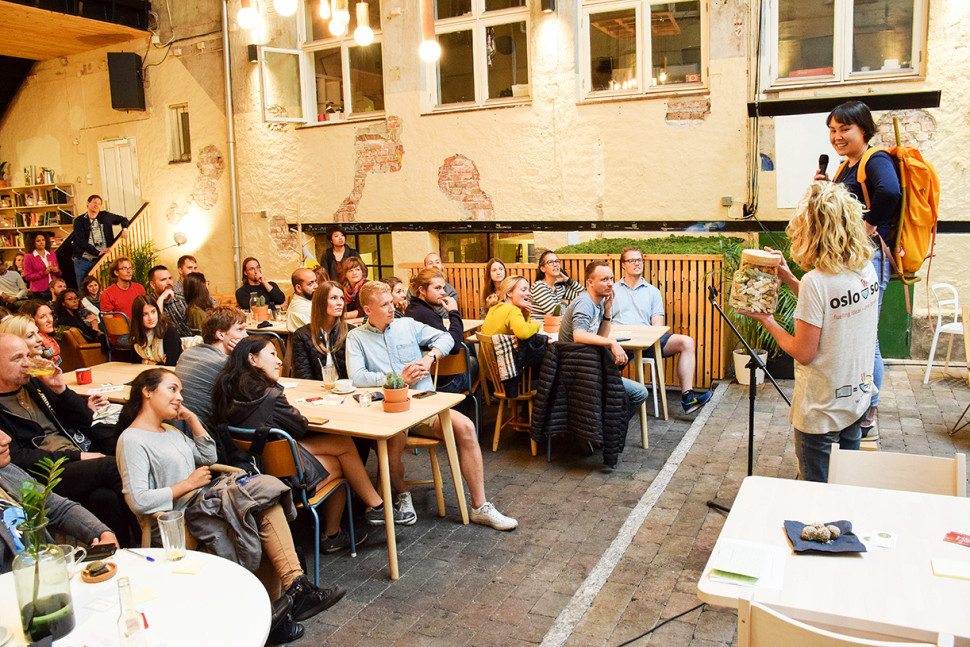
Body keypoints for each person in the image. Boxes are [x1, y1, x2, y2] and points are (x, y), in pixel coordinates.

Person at [116, 368, 345, 639]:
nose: (179, 397)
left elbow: (208, 454)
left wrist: (191, 418)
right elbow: (138, 500)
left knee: (262, 503)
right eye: (172, 389)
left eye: (181, 391)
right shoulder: (132, 440)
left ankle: (285, 598)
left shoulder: (169, 430)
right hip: (175, 521)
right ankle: (279, 608)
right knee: (257, 508)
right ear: (147, 391)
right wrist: (186, 485)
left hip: (204, 505)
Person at [346, 281, 517, 531]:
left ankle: (480, 507)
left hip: (424, 405)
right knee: (393, 441)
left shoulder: (407, 326)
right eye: (384, 305)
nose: (392, 309)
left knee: (466, 428)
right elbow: (357, 377)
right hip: (389, 409)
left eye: (392, 303)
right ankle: (403, 493)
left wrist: (430, 357)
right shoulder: (356, 337)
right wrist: (397, 379)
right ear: (367, 310)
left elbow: (447, 338)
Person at [743, 183, 879, 482]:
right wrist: (790, 277)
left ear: (812, 231)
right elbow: (831, 310)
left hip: (821, 409)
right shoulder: (864, 268)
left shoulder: (818, 281)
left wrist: (766, 319)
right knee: (845, 485)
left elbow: (804, 352)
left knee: (815, 496)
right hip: (855, 399)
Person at [213, 337, 402, 546]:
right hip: (282, 477)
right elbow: (300, 427)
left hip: (252, 466)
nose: (280, 361)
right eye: (272, 355)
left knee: (342, 444)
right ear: (253, 359)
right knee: (342, 462)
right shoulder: (270, 395)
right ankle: (337, 532)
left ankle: (375, 508)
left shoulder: (226, 390)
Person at [816, 101, 900, 440]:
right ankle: (856, 405)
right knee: (857, 335)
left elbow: (890, 192)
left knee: (869, 338)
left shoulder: (874, 160)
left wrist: (867, 226)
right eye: (832, 130)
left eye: (844, 129)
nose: (837, 136)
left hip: (870, 258)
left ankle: (868, 414)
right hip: (850, 259)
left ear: (863, 129)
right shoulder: (844, 166)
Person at [0, 334, 135, 545]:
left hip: (73, 458)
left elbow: (85, 420)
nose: (27, 363)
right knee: (111, 465)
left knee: (104, 497)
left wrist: (60, 389)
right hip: (45, 472)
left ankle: (122, 553)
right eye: (17, 358)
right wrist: (77, 456)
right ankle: (149, 532)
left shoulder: (34, 385)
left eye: (27, 355)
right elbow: (19, 458)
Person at [0, 428, 119, 574]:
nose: (6, 439)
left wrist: (102, 533)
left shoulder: (8, 472)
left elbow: (58, 508)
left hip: (49, 575)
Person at [613, 247, 713, 414]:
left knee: (687, 342)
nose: (637, 263)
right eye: (632, 260)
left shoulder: (653, 292)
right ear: (623, 265)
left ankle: (688, 399)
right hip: (619, 345)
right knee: (600, 356)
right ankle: (610, 402)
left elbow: (658, 326)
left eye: (639, 260)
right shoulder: (613, 290)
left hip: (648, 343)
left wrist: (648, 337)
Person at [558, 261, 649, 422]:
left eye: (612, 279)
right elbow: (579, 335)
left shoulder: (599, 303)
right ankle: (608, 429)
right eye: (604, 279)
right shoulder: (585, 302)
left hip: (587, 367)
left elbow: (600, 335)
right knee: (639, 393)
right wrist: (612, 343)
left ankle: (606, 428)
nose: (610, 284)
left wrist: (607, 311)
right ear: (590, 283)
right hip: (575, 372)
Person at [175, 306, 248, 430]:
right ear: (220, 334)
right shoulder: (224, 363)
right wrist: (242, 355)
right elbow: (253, 395)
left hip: (177, 427)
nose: (246, 335)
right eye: (240, 329)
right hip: (205, 434)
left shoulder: (187, 353)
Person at [405, 269, 472, 395]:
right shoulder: (425, 314)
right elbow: (455, 346)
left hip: (431, 374)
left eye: (443, 288)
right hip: (438, 381)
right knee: (473, 361)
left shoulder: (413, 308)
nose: (443, 293)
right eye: (437, 288)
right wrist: (453, 312)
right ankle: (472, 410)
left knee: (471, 347)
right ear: (422, 290)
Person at [291, 281, 353, 381]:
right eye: (334, 298)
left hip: (347, 390)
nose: (340, 303)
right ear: (321, 302)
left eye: (342, 298)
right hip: (316, 391)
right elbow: (303, 377)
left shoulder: (351, 332)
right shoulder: (302, 335)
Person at [71, 194, 129, 283]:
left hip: (102, 259)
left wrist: (124, 229)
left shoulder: (105, 216)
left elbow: (123, 219)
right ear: (88, 203)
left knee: (104, 284)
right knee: (83, 286)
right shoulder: (79, 220)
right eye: (94, 202)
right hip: (83, 260)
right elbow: (80, 241)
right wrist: (97, 252)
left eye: (99, 204)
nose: (96, 205)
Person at [130, 295, 182, 367]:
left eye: (153, 312)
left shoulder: (169, 331)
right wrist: (159, 363)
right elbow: (134, 362)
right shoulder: (136, 334)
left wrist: (148, 362)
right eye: (145, 314)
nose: (150, 318)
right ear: (137, 317)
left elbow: (171, 365)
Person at [530, 250, 583, 319]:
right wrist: (565, 303)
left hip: (557, 326)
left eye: (557, 261)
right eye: (550, 262)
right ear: (543, 269)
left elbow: (585, 295)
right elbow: (555, 312)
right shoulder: (539, 286)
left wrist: (568, 280)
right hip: (540, 327)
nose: (555, 264)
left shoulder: (559, 288)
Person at [147, 265, 192, 337]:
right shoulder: (148, 303)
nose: (169, 282)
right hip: (167, 344)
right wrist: (161, 299)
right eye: (163, 280)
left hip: (191, 342)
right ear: (153, 285)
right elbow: (157, 328)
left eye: (170, 278)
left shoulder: (182, 298)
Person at [101, 256, 146, 321]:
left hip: (141, 328)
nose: (129, 271)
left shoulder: (140, 288)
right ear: (116, 272)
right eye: (124, 268)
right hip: (121, 330)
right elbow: (110, 323)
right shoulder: (107, 294)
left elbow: (145, 311)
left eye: (130, 268)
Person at [19, 300, 61, 365]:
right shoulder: (34, 345)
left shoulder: (48, 336)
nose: (50, 320)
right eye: (42, 317)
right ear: (30, 320)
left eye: (50, 314)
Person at [22, 232, 61, 300]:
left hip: (54, 288)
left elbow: (59, 272)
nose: (41, 242)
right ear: (32, 242)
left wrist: (56, 270)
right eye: (38, 241)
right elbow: (27, 276)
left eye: (43, 240)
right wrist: (43, 273)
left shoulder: (51, 253)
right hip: (39, 290)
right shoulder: (28, 256)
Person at [287, 268, 317, 332]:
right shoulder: (301, 308)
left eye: (315, 281)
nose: (316, 286)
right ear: (298, 288)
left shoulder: (308, 301)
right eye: (310, 284)